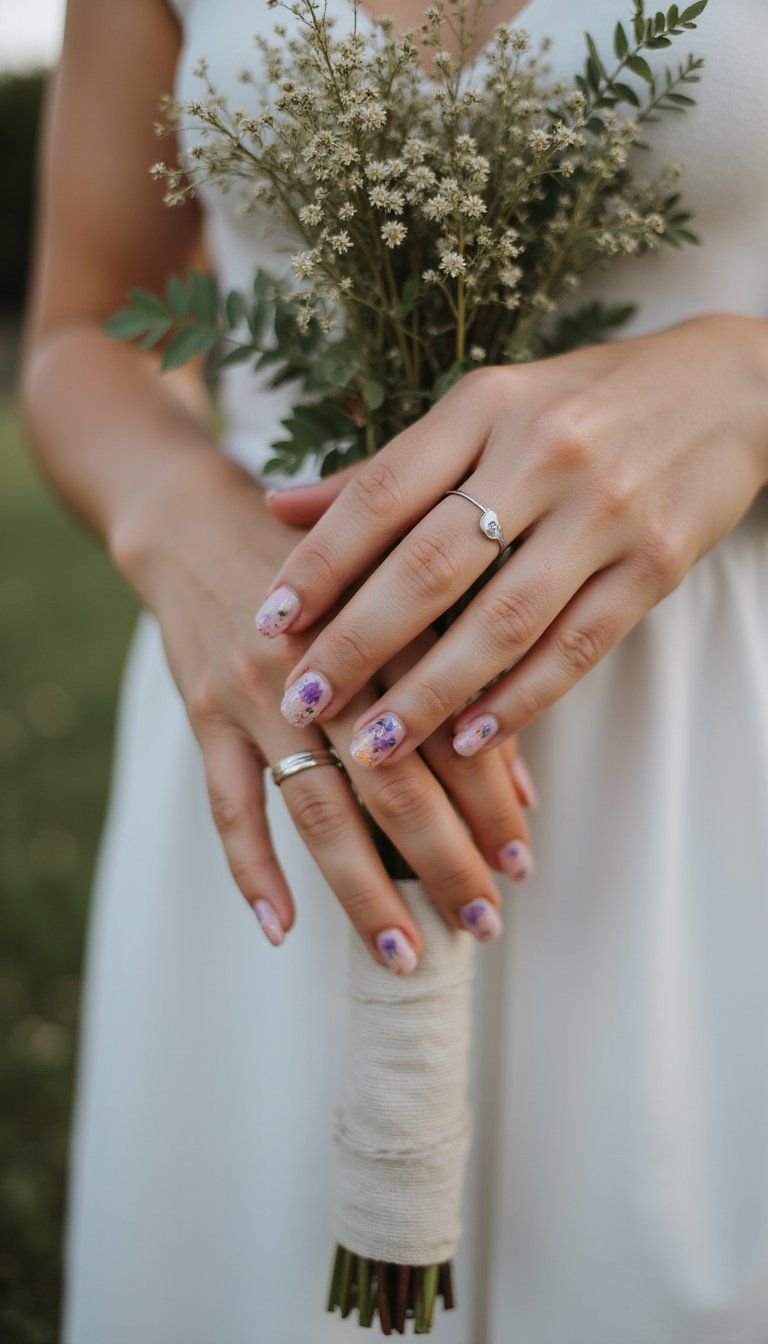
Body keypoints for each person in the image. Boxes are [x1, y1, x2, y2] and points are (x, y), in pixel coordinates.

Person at [20, 0, 768, 1341]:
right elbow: (83, 328)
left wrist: (750, 388)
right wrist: (191, 535)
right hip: (284, 713)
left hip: (705, 752)